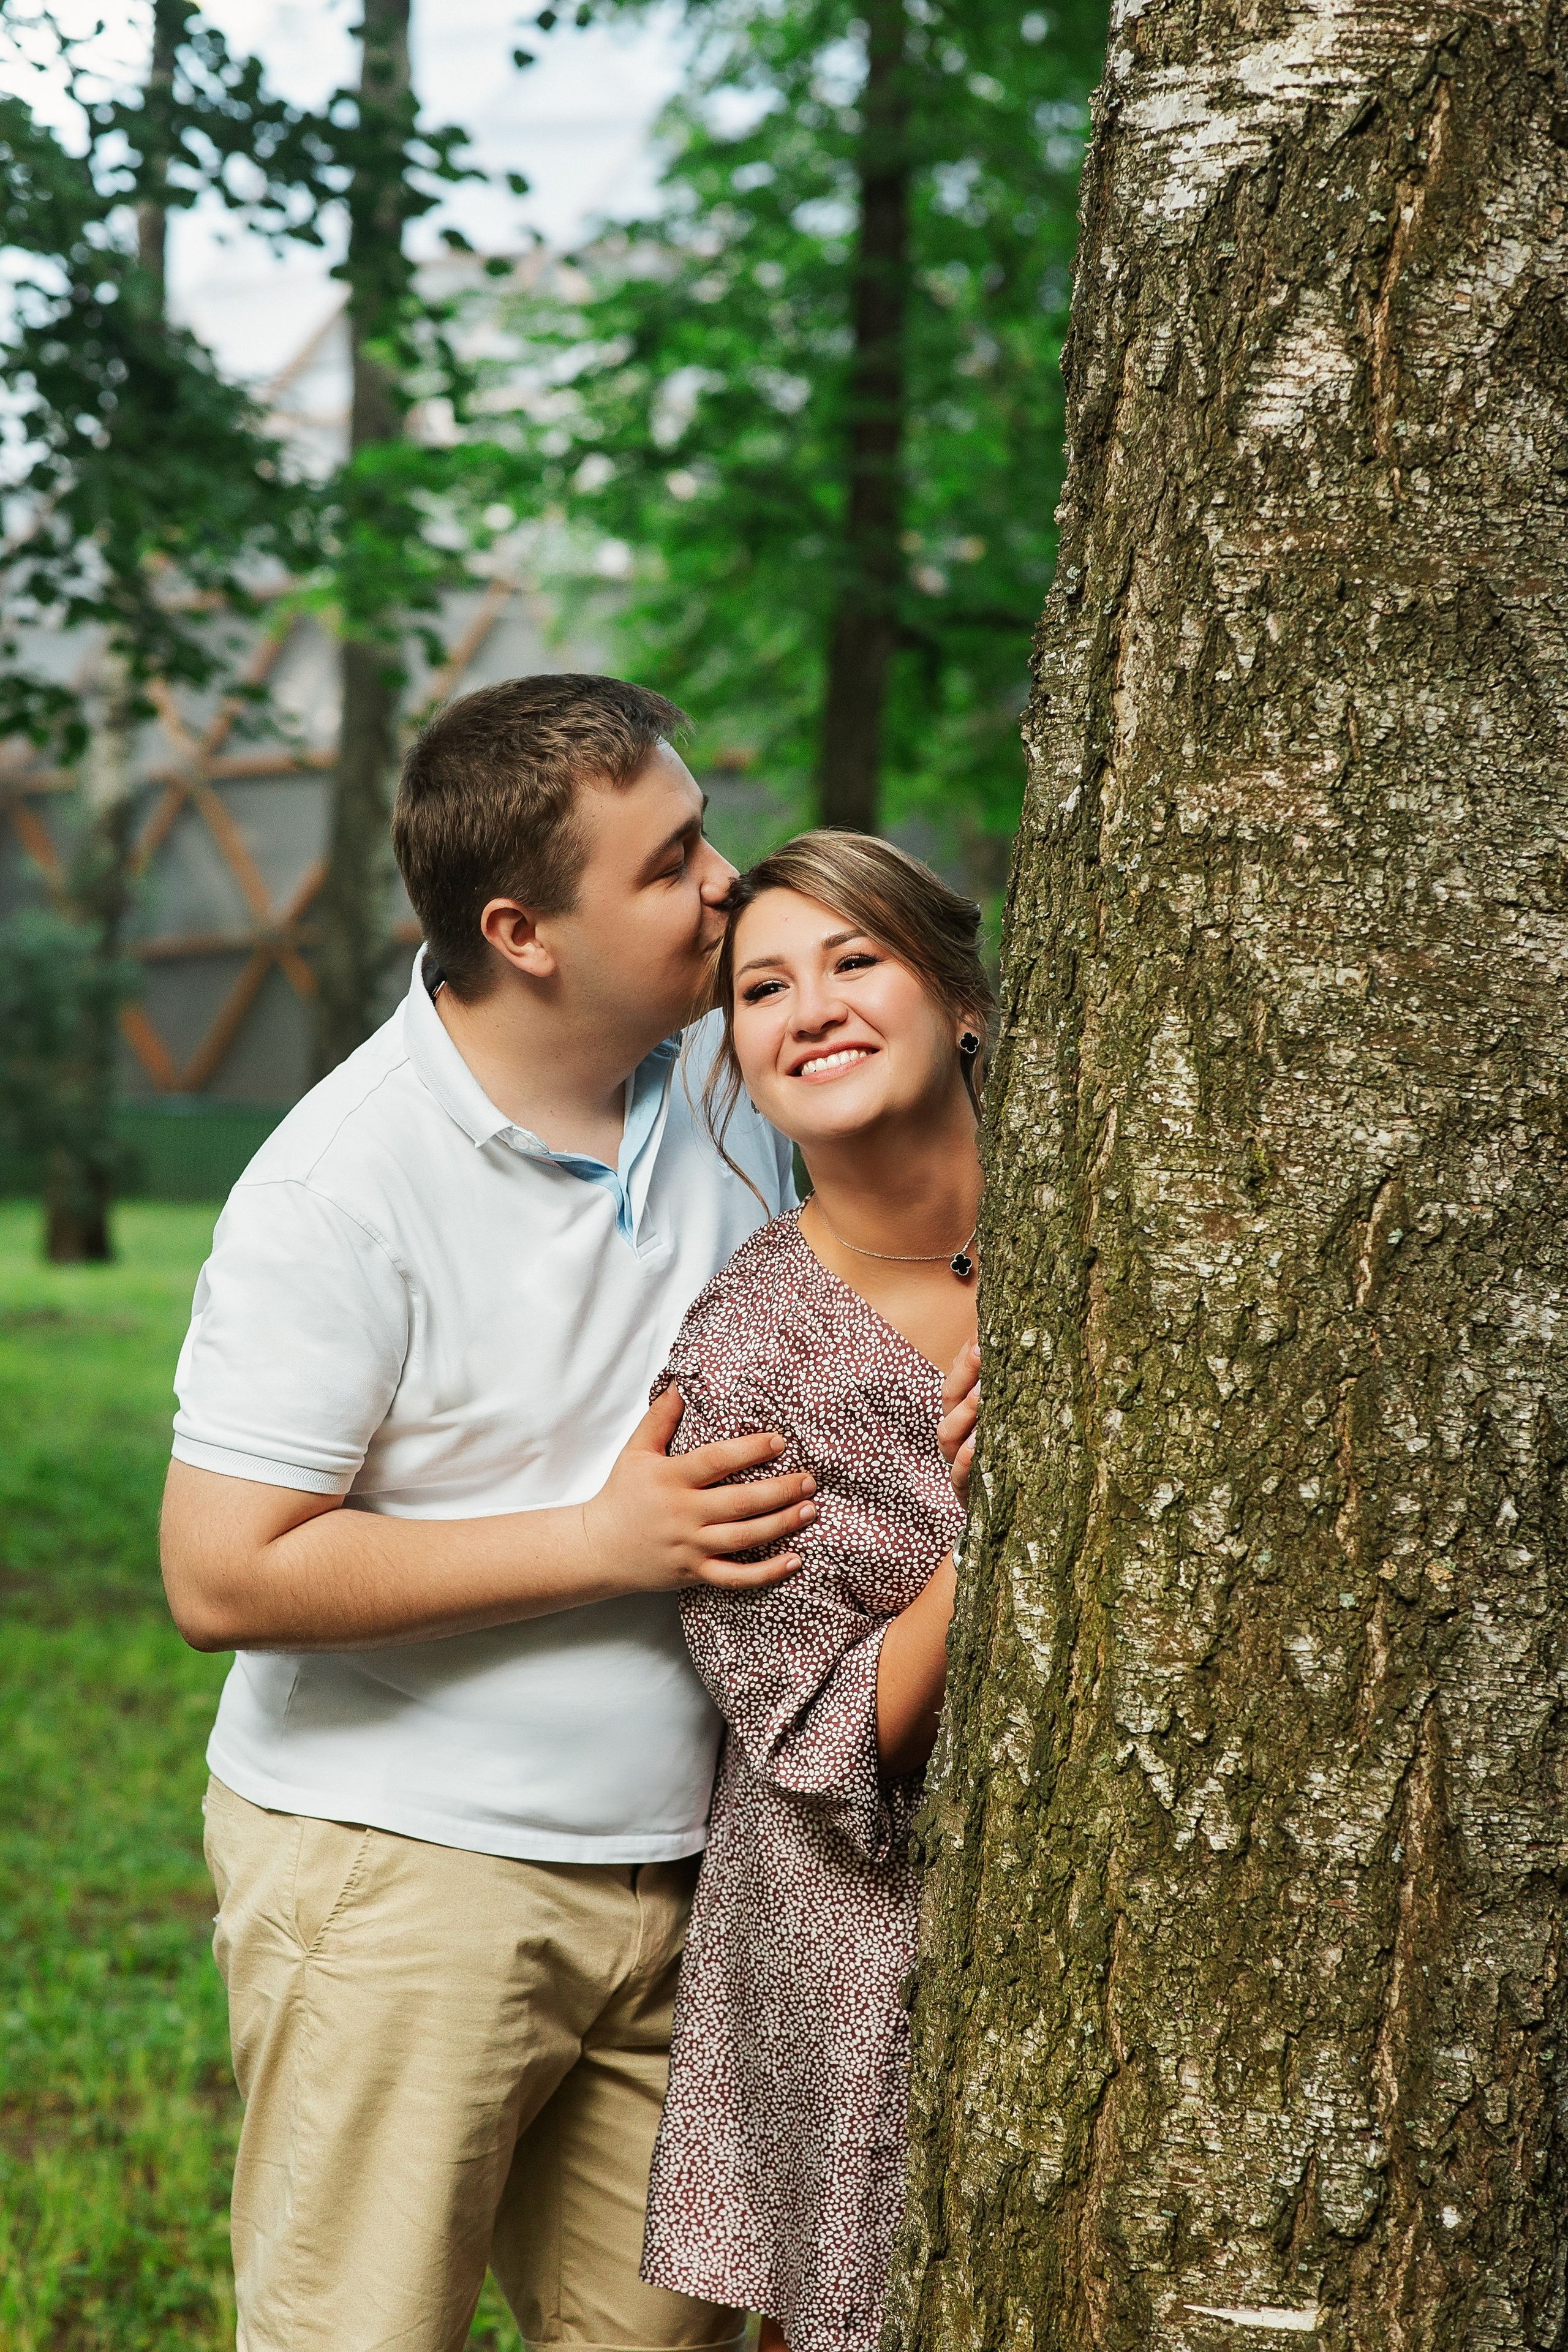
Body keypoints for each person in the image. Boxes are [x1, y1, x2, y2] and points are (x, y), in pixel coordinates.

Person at [158, 674, 824, 2352]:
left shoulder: (731, 1084)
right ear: (523, 933)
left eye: (702, 836)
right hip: (406, 1883)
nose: (725, 883)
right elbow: (221, 1573)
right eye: (668, 865)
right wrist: (600, 1544)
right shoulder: (338, 1189)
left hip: (695, 1877)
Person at [638, 830, 990, 2352]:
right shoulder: (741, 1361)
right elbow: (821, 1737)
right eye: (762, 988)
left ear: (963, 1001)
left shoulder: (1121, 1240)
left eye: (856, 959)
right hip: (854, 1947)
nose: (812, 1007)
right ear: (736, 1055)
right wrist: (1004, 1529)